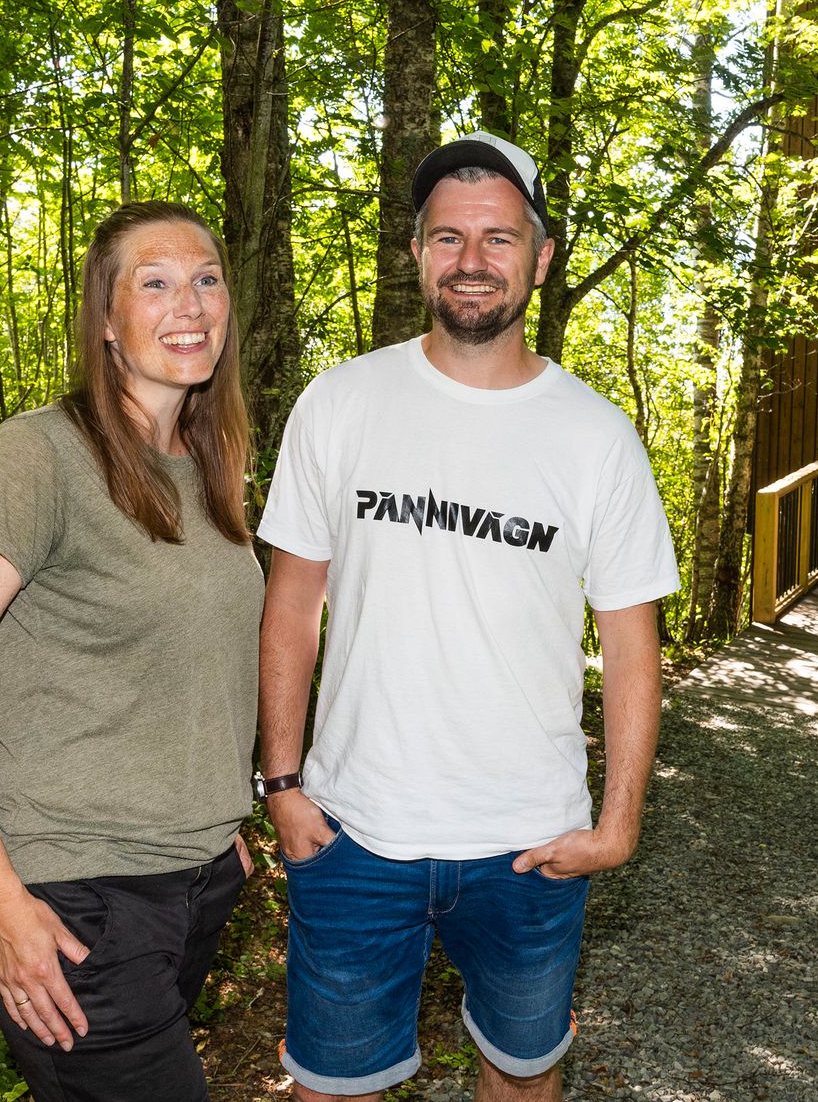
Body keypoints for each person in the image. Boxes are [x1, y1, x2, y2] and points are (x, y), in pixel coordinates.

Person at [256, 132, 679, 1101]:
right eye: (447, 237)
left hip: (529, 840)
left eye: (497, 236)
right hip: (354, 828)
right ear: (415, 252)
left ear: (540, 255)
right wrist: (281, 781)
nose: (472, 260)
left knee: (523, 1077)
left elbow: (629, 647)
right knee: (331, 1087)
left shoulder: (594, 438)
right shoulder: (340, 402)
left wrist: (616, 825)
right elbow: (290, 604)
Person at [0, 201, 261, 1102]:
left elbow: (198, 668)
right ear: (107, 322)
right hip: (75, 899)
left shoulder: (207, 466)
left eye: (206, 280)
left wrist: (224, 829)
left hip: (194, 885)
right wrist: (1, 901)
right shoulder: (38, 456)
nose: (188, 305)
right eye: (153, 283)